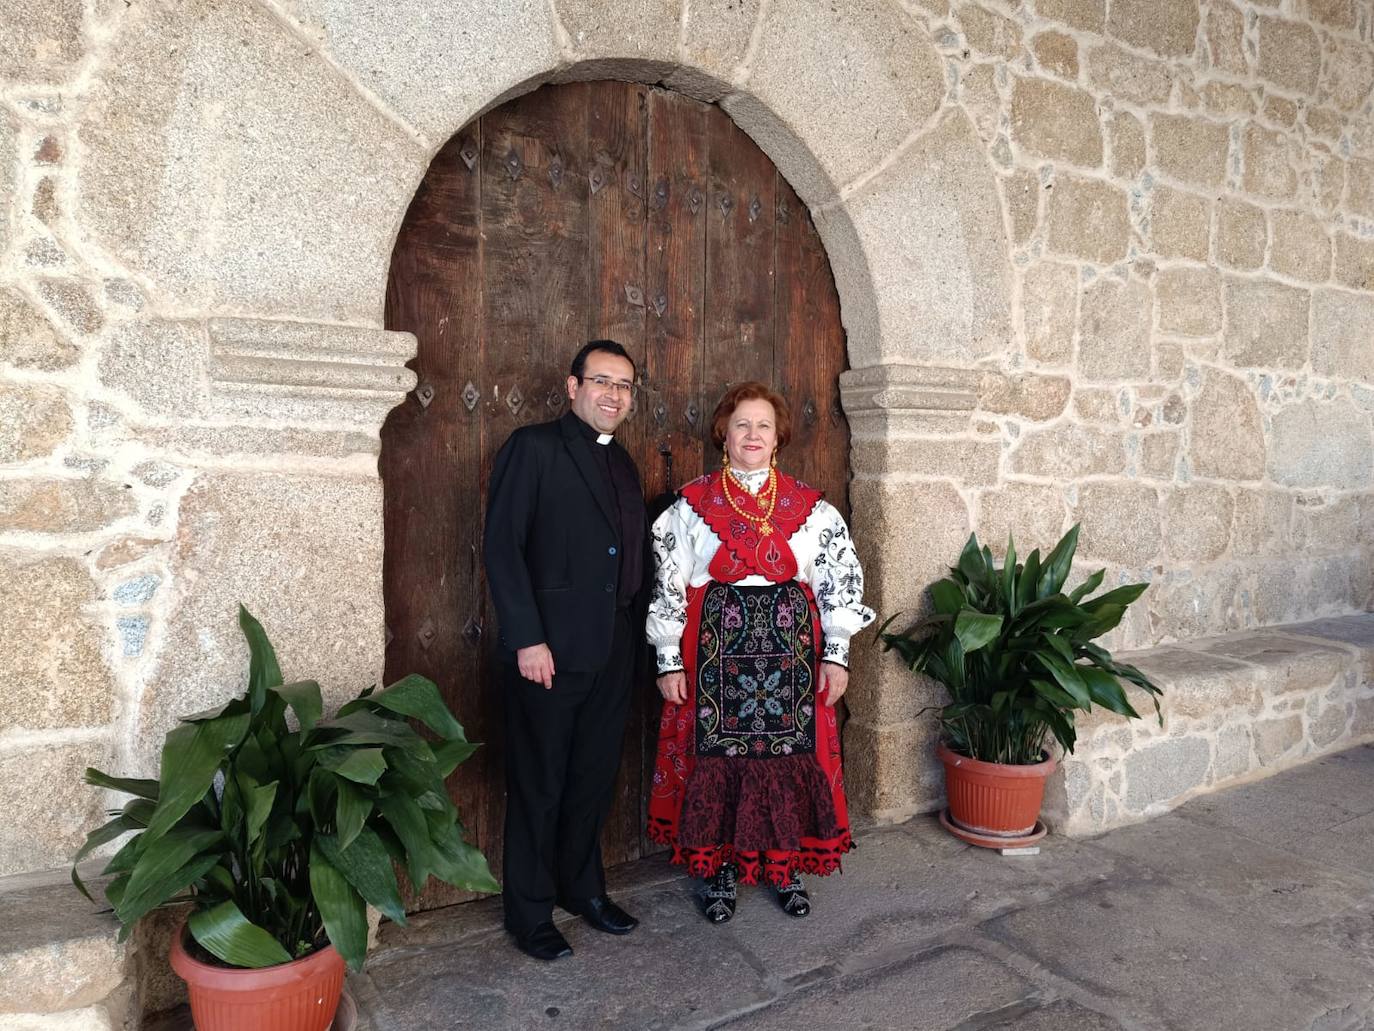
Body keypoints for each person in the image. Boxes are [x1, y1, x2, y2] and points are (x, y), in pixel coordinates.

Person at [646, 382, 874, 922]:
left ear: (778, 439)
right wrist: (667, 658)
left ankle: (784, 863)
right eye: (742, 424)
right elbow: (668, 584)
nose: (752, 434)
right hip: (713, 656)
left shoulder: (811, 508)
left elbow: (838, 581)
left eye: (763, 426)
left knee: (791, 759)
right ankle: (720, 868)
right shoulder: (690, 506)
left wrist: (836, 653)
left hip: (791, 658)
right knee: (718, 759)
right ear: (724, 435)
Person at [484, 340, 648, 960]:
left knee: (591, 781)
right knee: (540, 783)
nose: (614, 395)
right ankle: (528, 913)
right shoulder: (534, 448)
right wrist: (527, 638)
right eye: (602, 381)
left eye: (625, 386)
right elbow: (503, 547)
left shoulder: (624, 462)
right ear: (573, 386)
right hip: (548, 652)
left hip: (612, 651)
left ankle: (583, 889)